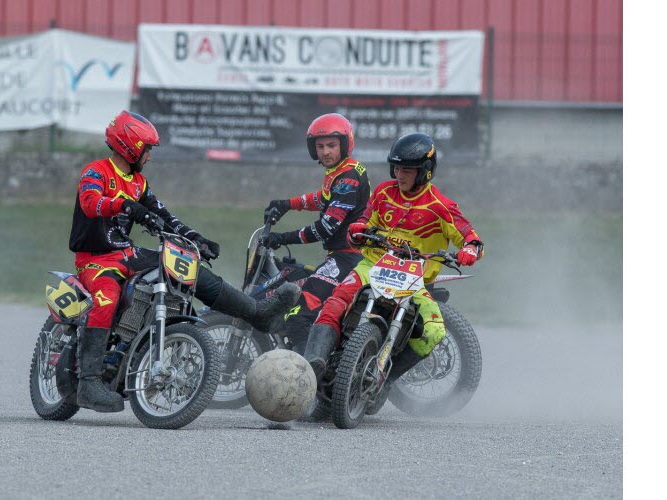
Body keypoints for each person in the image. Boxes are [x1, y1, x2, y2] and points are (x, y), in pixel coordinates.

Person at [70, 110, 300, 413]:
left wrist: (198, 239)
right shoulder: (96, 172)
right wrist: (125, 205)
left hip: (128, 254)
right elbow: (91, 203)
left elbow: (166, 217)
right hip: (95, 261)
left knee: (185, 268)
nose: (149, 156)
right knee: (107, 297)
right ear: (129, 147)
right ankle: (88, 383)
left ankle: (257, 313)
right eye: (147, 149)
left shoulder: (139, 183)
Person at [303, 132, 484, 388]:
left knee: (434, 331)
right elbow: (366, 220)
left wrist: (470, 251)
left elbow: (471, 237)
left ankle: (385, 381)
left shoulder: (441, 206)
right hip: (373, 266)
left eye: (407, 170)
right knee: (335, 302)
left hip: (416, 279)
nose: (399, 175)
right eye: (396, 168)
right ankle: (312, 366)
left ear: (425, 171)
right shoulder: (383, 192)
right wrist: (358, 228)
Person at [259, 113, 371, 354]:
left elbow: (326, 227)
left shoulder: (348, 178)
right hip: (346, 255)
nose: (326, 152)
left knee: (299, 314)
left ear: (345, 144)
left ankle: (308, 373)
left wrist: (283, 237)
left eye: (331, 145)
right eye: (320, 147)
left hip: (347, 257)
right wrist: (286, 204)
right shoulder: (342, 171)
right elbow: (323, 198)